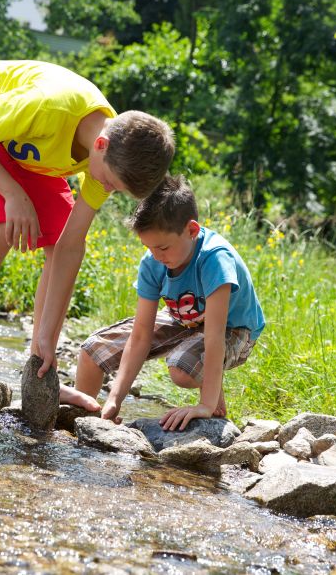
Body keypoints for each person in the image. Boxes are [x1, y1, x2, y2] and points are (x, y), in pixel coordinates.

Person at [0, 60, 175, 399]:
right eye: (108, 182)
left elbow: (71, 244)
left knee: (60, 229)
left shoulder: (107, 160)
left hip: (26, 147)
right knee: (4, 220)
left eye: (114, 189)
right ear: (101, 145)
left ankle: (40, 367)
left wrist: (48, 338)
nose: (105, 188)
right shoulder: (48, 107)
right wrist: (13, 194)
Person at [71, 175, 265, 431]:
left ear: (192, 230)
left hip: (233, 328)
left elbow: (215, 336)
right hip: (184, 317)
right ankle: (77, 425)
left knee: (181, 368)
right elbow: (140, 335)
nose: (156, 256)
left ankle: (213, 398)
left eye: (162, 247)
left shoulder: (215, 259)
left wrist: (206, 405)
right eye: (149, 247)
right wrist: (114, 400)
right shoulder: (153, 262)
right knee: (92, 351)